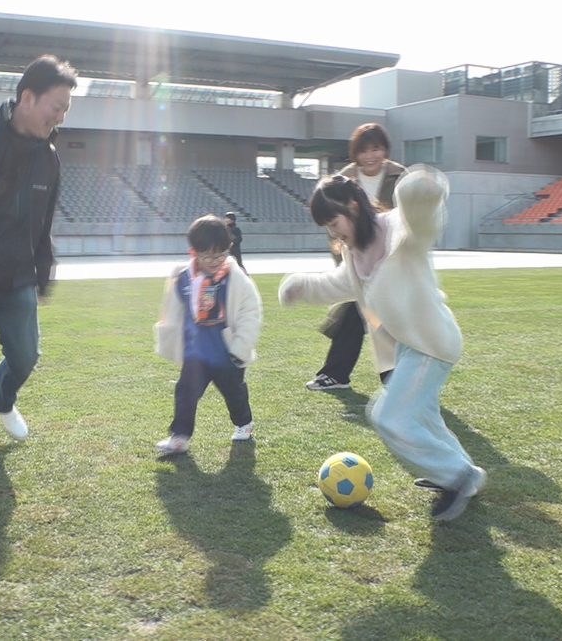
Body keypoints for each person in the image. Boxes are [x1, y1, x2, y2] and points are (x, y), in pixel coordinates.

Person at [279, 168, 486, 521]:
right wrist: (301, 285)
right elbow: (337, 285)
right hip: (410, 345)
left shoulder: (397, 229)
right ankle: (462, 472)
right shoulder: (355, 252)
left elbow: (422, 222)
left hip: (431, 342)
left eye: (334, 222)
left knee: (387, 415)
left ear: (353, 206)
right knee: (424, 417)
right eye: (327, 227)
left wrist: (420, 192)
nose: (333, 233)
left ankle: (458, 476)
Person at [0, 55, 77, 441]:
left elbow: (44, 223)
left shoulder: (49, 159)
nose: (61, 117)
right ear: (28, 98)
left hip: (17, 278)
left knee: (26, 357)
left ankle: (1, 397)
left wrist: (43, 275)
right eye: (57, 107)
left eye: (65, 110)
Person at [306, 123, 405, 391]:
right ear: (355, 153)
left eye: (376, 148)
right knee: (363, 314)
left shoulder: (399, 178)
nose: (370, 155)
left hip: (390, 265)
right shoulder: (342, 181)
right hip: (358, 262)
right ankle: (383, 379)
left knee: (377, 319)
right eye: (364, 150)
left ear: (385, 150)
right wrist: (346, 264)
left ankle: (344, 375)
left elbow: (407, 223)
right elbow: (334, 228)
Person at [153, 215, 262, 455]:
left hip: (227, 353)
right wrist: (170, 338)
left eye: (221, 254)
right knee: (185, 393)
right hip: (197, 353)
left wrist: (241, 346)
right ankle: (180, 436)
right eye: (208, 256)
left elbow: (250, 311)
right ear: (194, 253)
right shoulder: (182, 278)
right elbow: (173, 310)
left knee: (234, 393)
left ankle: (244, 423)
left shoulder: (235, 277)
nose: (215, 261)